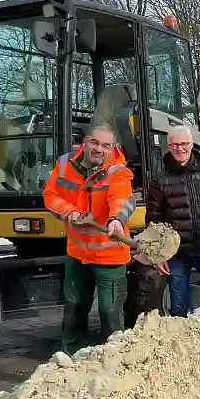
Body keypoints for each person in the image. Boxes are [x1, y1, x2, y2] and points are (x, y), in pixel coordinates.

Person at [43, 123, 136, 354]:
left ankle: (116, 358)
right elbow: (51, 195)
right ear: (84, 142)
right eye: (94, 142)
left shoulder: (118, 170)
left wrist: (116, 220)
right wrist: (69, 212)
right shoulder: (65, 164)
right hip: (77, 253)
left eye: (106, 145)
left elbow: (123, 199)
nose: (99, 149)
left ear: (112, 148)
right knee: (74, 306)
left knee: (110, 311)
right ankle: (72, 356)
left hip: (109, 254)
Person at [148, 125, 200, 315]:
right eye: (174, 145)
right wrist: (157, 256)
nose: (179, 148)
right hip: (177, 255)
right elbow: (152, 219)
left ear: (192, 145)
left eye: (184, 143)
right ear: (168, 146)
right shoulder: (160, 180)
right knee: (177, 310)